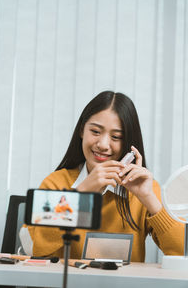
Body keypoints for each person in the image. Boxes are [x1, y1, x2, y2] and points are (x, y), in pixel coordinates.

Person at [24, 90, 184, 262]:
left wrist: (148, 198)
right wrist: (80, 194)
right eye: (95, 131)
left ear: (129, 144)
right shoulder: (56, 182)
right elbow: (32, 247)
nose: (103, 144)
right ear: (81, 131)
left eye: (116, 137)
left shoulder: (145, 188)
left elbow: (182, 251)